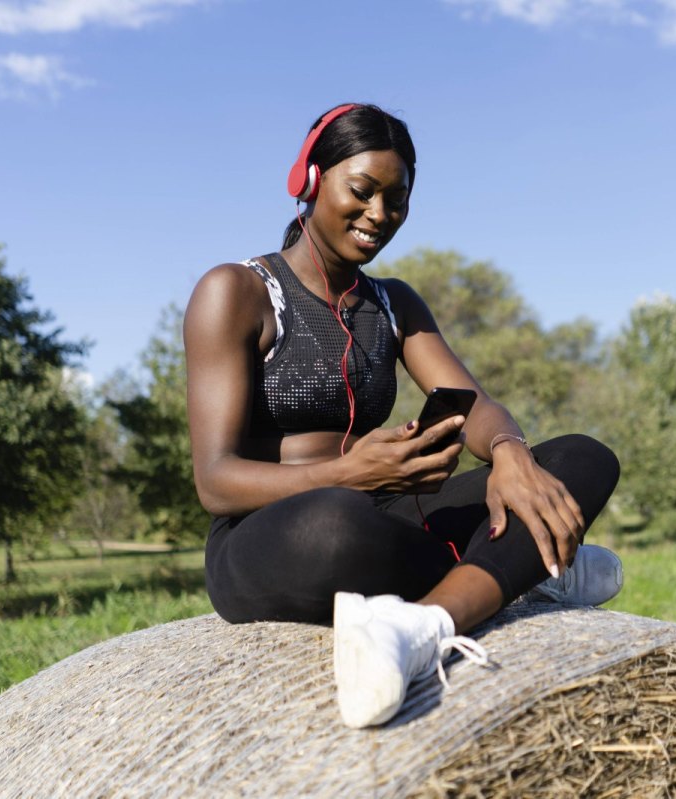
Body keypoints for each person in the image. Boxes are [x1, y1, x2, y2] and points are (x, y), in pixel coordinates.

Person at [183, 103, 622, 729]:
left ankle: (427, 622)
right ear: (308, 180)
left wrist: (509, 455)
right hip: (272, 534)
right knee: (334, 525)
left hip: (387, 512)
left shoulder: (394, 304)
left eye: (397, 201)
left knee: (580, 457)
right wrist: (351, 475)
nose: (379, 216)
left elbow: (474, 405)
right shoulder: (237, 292)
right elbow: (215, 481)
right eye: (362, 192)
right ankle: (523, 569)